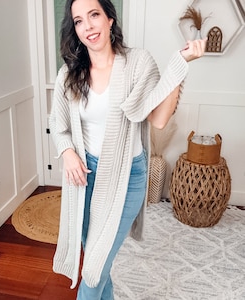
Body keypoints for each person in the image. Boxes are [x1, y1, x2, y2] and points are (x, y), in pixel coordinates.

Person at [49, 0, 207, 299]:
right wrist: (68, 152)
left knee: (94, 269)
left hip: (126, 175)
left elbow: (158, 119)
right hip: (83, 177)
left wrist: (179, 67)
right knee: (99, 262)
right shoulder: (69, 73)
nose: (88, 26)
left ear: (110, 19)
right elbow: (58, 125)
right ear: (75, 29)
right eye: (79, 21)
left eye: (94, 15)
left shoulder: (138, 63)